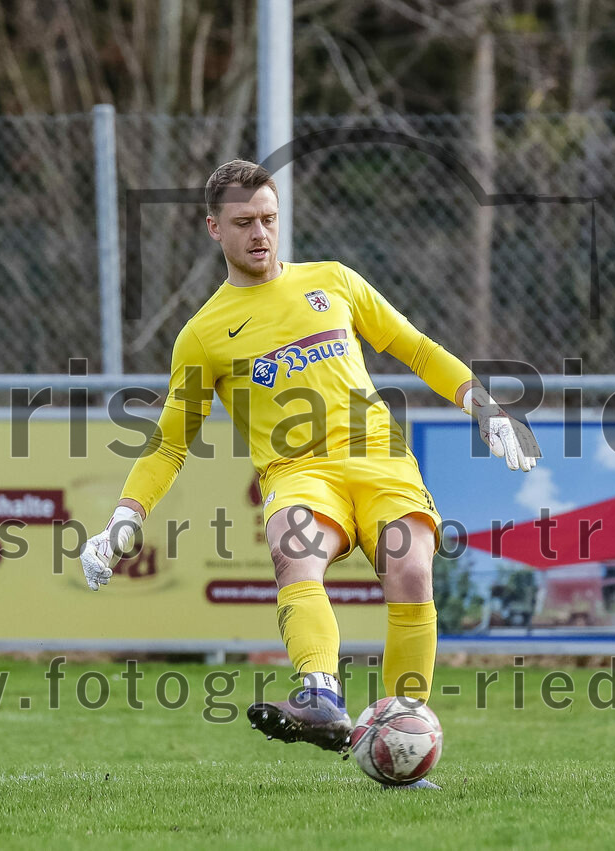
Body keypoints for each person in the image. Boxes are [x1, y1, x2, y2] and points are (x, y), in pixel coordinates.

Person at [79, 160, 540, 788]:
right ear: (214, 228)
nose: (260, 233)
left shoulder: (333, 280)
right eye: (244, 222)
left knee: (410, 570)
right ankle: (320, 695)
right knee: (294, 550)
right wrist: (123, 520)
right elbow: (169, 444)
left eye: (269, 219)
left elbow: (416, 347)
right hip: (298, 472)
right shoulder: (203, 335)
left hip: (379, 457)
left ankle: (402, 736)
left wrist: (485, 409)